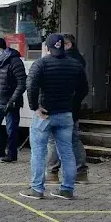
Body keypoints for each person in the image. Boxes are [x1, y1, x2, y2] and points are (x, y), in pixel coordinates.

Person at [21, 33, 89, 200]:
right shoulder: (75, 64)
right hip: (66, 114)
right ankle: (67, 189)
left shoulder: (40, 63)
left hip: (45, 114)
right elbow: (84, 89)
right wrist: (72, 105)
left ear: (47, 48)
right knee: (67, 152)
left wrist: (35, 107)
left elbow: (31, 85)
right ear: (64, 46)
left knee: (38, 152)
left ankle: (37, 189)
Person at [46, 33, 89, 183]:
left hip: (59, 107)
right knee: (73, 139)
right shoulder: (78, 60)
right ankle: (80, 172)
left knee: (54, 140)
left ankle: (52, 172)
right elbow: (83, 89)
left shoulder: (65, 61)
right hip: (71, 108)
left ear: (67, 44)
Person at [0, 37, 27, 163]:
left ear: (3, 49)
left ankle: (11, 154)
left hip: (11, 102)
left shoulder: (15, 61)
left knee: (11, 130)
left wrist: (13, 100)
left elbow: (22, 83)